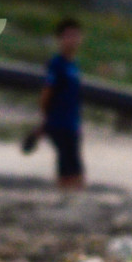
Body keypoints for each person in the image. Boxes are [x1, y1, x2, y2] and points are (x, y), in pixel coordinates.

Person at [38, 18, 85, 191]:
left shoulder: (74, 64)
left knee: (73, 168)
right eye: (68, 36)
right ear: (60, 39)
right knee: (70, 170)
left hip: (72, 124)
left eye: (75, 35)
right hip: (59, 124)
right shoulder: (57, 64)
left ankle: (67, 198)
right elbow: (46, 93)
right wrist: (45, 120)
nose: (73, 39)